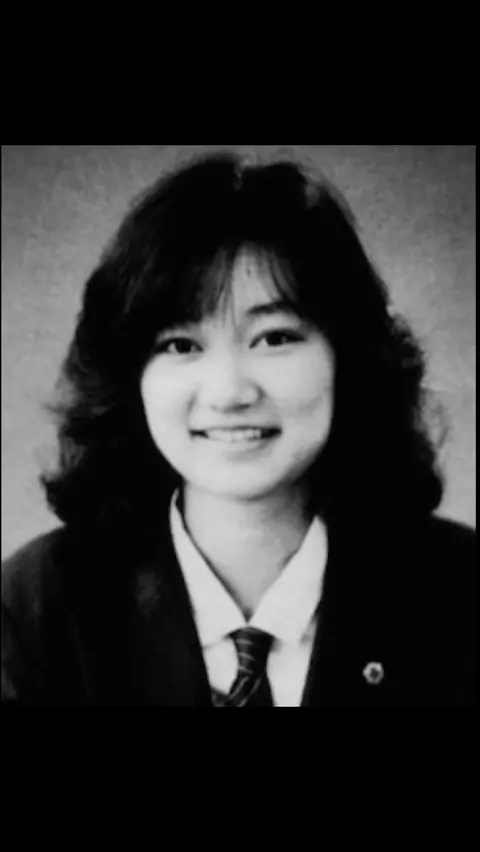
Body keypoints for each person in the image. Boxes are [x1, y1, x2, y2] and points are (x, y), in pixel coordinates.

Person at [2, 151, 475, 707]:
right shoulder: (37, 610)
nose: (229, 393)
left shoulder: (461, 594)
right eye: (181, 345)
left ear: (347, 357)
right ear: (129, 378)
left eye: (274, 338)